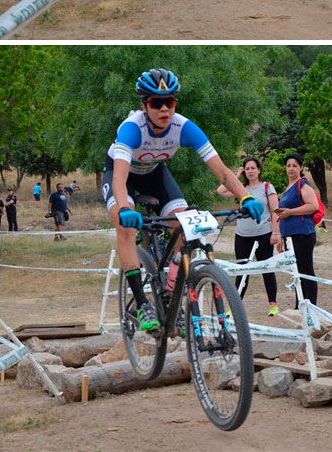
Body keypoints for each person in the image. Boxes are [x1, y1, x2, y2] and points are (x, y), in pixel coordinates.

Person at [102, 68, 264, 331]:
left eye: (171, 102)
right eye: (157, 103)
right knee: (126, 227)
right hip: (123, 176)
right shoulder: (132, 129)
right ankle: (143, 303)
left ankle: (171, 284)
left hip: (155, 174)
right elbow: (119, 180)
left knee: (185, 224)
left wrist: (245, 196)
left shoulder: (183, 127)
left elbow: (222, 171)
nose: (165, 109)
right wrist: (123, 207)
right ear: (144, 106)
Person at [217, 156, 281, 316]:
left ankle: (272, 304)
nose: (250, 171)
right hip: (242, 235)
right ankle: (235, 307)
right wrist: (236, 176)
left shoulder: (267, 187)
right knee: (242, 271)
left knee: (266, 269)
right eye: (247, 168)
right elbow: (221, 191)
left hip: (263, 234)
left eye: (253, 168)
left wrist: (275, 232)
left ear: (259, 170)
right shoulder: (241, 188)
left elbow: (276, 210)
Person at [276, 153, 319, 306]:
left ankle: (311, 306)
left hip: (302, 235)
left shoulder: (303, 184)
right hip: (289, 236)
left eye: (294, 165)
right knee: (297, 272)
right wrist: (281, 235)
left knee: (305, 270)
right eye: (288, 166)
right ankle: (300, 303)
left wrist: (291, 212)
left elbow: (313, 206)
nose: (291, 169)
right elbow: (283, 214)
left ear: (301, 167)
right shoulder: (288, 188)